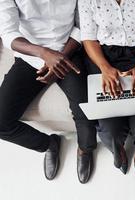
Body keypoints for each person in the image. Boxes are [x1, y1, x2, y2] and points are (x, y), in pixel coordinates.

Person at [0, 0, 97, 184]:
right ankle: (48, 144)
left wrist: (60, 57)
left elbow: (82, 24)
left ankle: (84, 149)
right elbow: (8, 34)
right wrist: (44, 53)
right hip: (31, 56)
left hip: (68, 51)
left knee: (86, 112)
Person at [78, 0, 135, 174]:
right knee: (110, 126)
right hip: (104, 57)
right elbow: (88, 38)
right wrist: (104, 68)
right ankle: (118, 149)